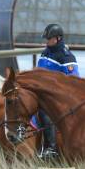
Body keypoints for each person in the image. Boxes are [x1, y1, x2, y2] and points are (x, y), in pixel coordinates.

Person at [34, 23, 79, 159]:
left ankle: (51, 148)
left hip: (58, 97)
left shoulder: (66, 57)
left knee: (44, 112)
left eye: (49, 39)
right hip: (43, 93)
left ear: (58, 38)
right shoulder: (45, 53)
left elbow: (73, 82)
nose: (47, 42)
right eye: (46, 39)